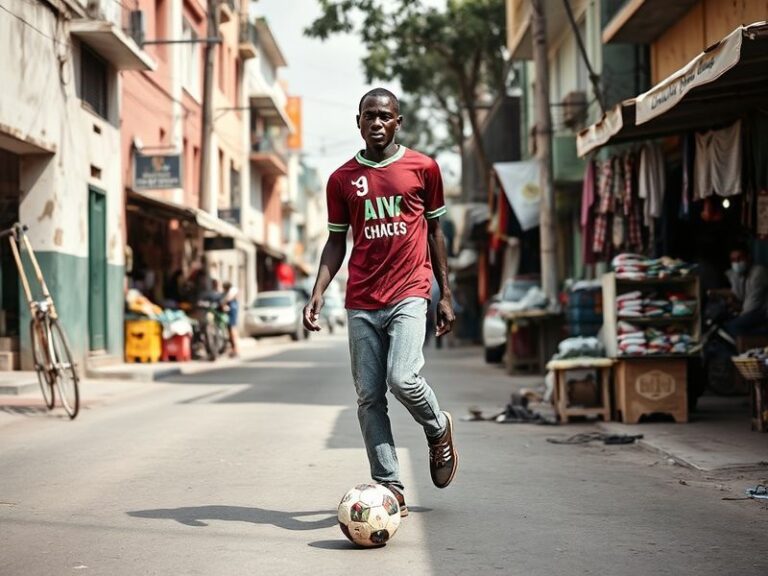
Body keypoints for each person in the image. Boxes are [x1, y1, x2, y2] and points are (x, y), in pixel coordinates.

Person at [303, 88, 458, 516]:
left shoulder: (423, 168)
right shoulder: (340, 179)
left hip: (410, 291)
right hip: (361, 300)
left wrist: (445, 293)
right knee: (369, 396)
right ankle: (390, 485)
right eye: (368, 115)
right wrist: (318, 291)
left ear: (397, 122)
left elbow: (436, 234)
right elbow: (336, 241)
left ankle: (437, 426)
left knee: (403, 377)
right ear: (358, 122)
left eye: (384, 116)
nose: (376, 122)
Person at [723, 242, 768, 338]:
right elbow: (737, 294)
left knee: (733, 326)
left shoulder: (758, 273)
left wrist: (740, 313)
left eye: (740, 258)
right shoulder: (741, 274)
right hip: (752, 311)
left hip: (762, 312)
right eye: (733, 260)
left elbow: (752, 305)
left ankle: (747, 348)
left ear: (748, 257)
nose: (737, 263)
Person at [222, 281, 240, 357]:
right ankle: (234, 349)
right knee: (231, 330)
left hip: (232, 312)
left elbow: (227, 299)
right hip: (231, 311)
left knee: (232, 330)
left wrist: (223, 303)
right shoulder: (231, 292)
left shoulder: (232, 291)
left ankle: (235, 349)